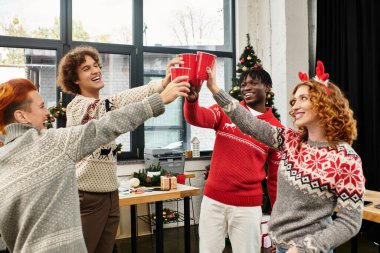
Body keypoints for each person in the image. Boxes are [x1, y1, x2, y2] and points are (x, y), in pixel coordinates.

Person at [0, 77, 189, 253]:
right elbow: (107, 124)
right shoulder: (52, 143)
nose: (47, 112)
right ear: (21, 116)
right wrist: (159, 99)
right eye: (41, 107)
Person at [205, 61, 365, 253]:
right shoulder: (290, 140)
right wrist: (214, 88)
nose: (294, 106)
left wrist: (304, 249)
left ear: (325, 104)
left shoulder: (346, 158)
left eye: (303, 99)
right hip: (282, 247)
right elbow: (249, 123)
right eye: (294, 100)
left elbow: (350, 222)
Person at [56, 45, 184, 253]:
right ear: (75, 79)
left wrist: (163, 82)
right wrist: (160, 95)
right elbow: (116, 104)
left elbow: (121, 100)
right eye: (87, 68)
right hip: (86, 196)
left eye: (96, 65)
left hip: (110, 194)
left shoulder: (102, 104)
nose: (96, 70)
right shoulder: (78, 107)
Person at [184, 66, 282, 252]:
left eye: (254, 83)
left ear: (267, 87)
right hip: (213, 201)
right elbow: (197, 117)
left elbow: (276, 181)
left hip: (248, 206)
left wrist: (277, 221)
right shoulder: (227, 110)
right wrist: (192, 99)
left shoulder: (275, 130)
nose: (247, 88)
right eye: (244, 84)